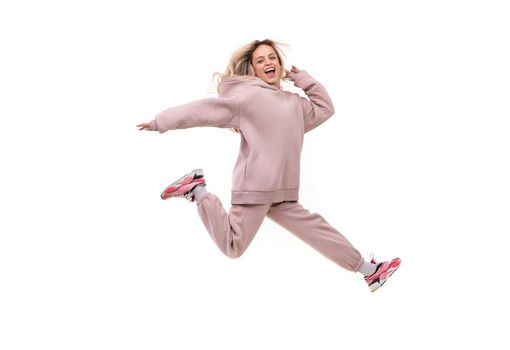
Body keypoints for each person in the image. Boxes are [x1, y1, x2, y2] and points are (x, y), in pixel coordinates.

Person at [136, 39, 400, 292]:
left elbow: (324, 108)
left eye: (272, 57)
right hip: (257, 188)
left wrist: (302, 80)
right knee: (232, 247)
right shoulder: (246, 97)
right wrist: (162, 121)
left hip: (283, 193)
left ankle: (368, 270)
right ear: (253, 69)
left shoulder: (294, 104)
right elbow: (203, 110)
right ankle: (198, 190)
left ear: (280, 64)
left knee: (318, 231)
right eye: (261, 60)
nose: (268, 62)